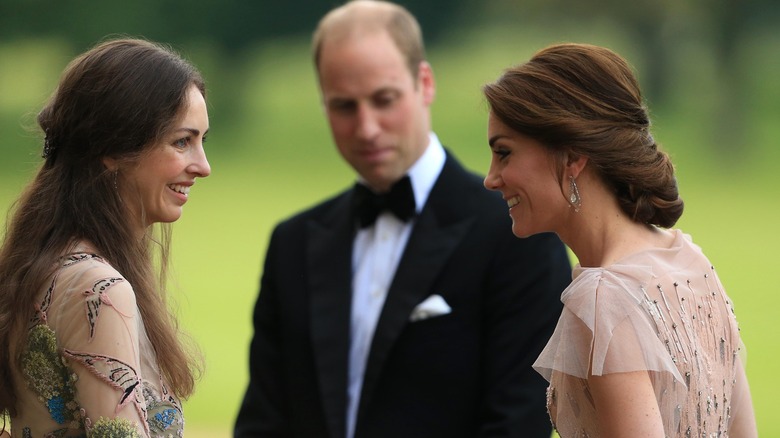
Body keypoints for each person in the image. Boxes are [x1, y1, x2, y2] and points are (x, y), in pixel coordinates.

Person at [234, 1, 572, 437]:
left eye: (383, 99)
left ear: (424, 83)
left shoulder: (518, 233)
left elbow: (519, 421)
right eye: (343, 106)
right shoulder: (292, 242)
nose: (367, 127)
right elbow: (263, 419)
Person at [482, 42, 758, 437]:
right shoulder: (689, 260)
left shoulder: (604, 296)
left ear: (572, 156)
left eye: (504, 153)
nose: (491, 178)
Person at [0, 38, 211, 437]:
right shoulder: (98, 288)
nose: (203, 166)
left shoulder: (45, 263)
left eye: (203, 141)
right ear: (114, 149)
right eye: (182, 141)